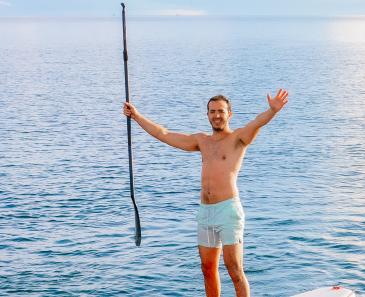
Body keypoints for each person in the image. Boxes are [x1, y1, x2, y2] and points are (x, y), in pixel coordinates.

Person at [122, 89, 289, 297]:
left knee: (235, 270)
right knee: (208, 270)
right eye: (212, 111)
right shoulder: (202, 141)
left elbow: (257, 122)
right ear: (207, 115)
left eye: (221, 111)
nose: (216, 115)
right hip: (205, 213)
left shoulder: (239, 138)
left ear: (229, 114)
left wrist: (272, 110)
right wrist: (136, 116)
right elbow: (163, 134)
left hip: (228, 211)